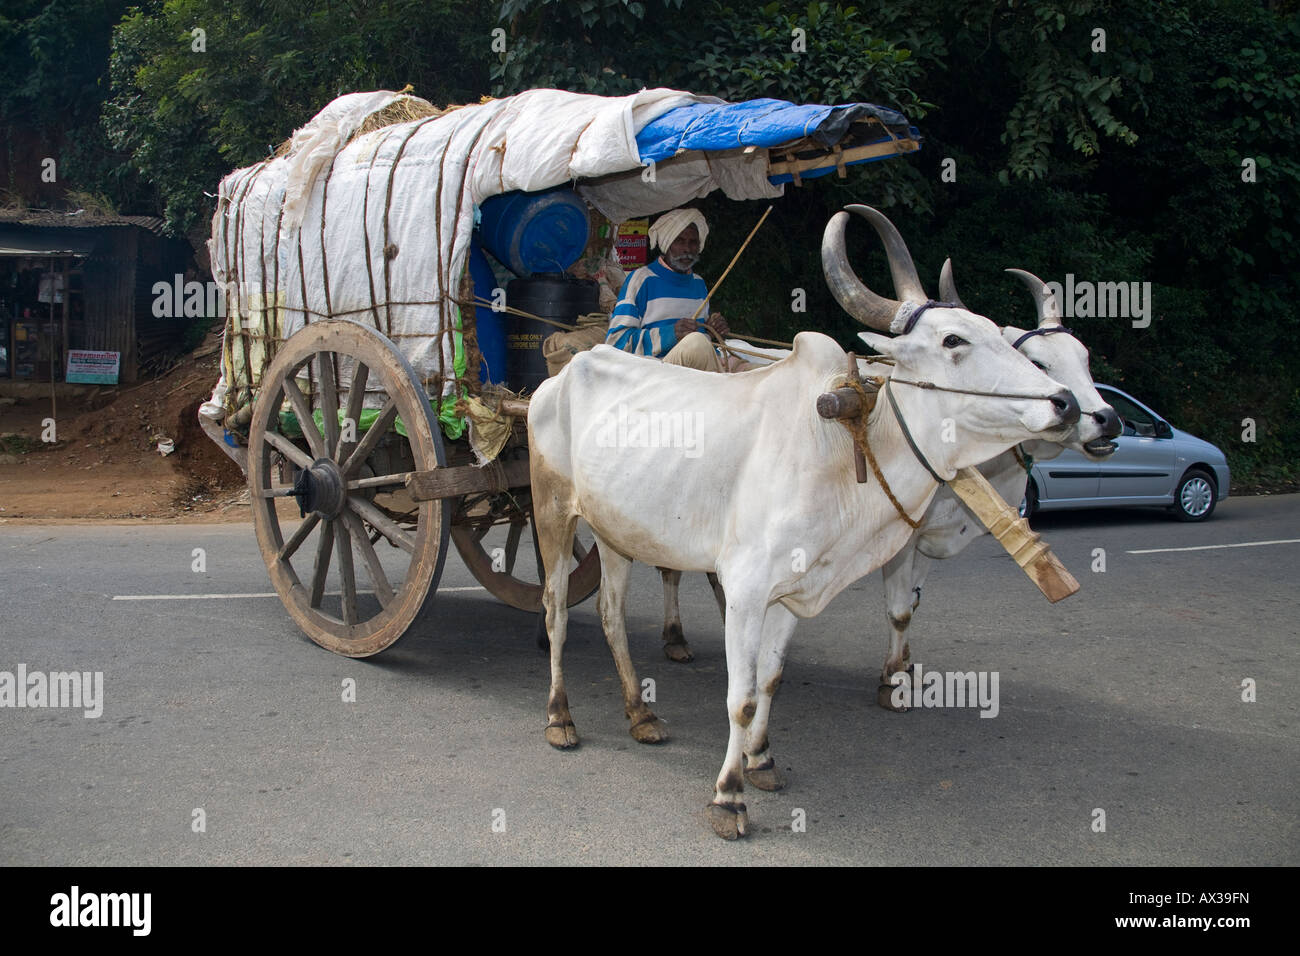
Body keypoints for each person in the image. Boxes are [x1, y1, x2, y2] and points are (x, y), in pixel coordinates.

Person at [604, 208, 732, 371]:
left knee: (758, 371)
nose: (687, 249)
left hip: (694, 371)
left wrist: (712, 331)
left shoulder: (699, 283)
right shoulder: (642, 279)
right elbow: (616, 342)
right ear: (667, 244)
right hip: (656, 372)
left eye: (693, 242)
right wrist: (670, 334)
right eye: (679, 241)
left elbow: (703, 338)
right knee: (696, 343)